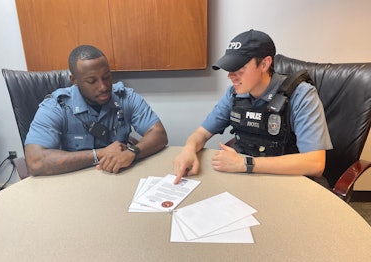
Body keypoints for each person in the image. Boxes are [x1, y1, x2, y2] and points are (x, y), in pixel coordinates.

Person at [173, 29, 332, 185]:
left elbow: (315, 163)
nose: (230, 76)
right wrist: (189, 149)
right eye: (229, 68)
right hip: (247, 180)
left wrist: (245, 164)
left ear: (264, 64)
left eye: (239, 68)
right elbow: (201, 133)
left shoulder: (301, 95)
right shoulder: (234, 95)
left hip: (288, 182)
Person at [25, 45, 168, 176]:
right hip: (73, 182)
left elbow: (159, 134)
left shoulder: (125, 97)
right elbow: (35, 161)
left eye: (106, 77)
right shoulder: (55, 107)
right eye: (92, 81)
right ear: (74, 80)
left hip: (118, 177)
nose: (103, 87)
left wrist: (132, 152)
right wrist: (99, 154)